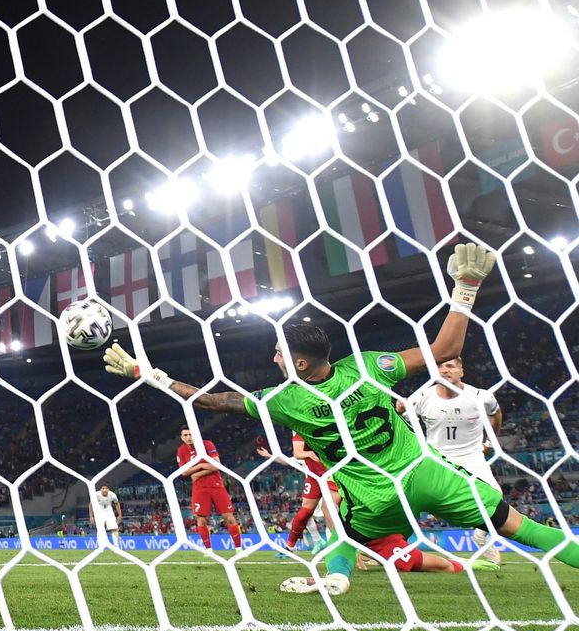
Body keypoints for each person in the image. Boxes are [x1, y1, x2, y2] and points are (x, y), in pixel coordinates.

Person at [104, 243, 579, 595]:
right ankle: (336, 574)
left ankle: (334, 577)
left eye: (279, 353)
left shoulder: (285, 399)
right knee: (520, 527)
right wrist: (465, 289)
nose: (273, 358)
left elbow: (207, 400)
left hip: (374, 495)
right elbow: (444, 351)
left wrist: (143, 372)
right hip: (427, 473)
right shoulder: (370, 367)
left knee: (345, 533)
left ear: (303, 365)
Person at [402, 357, 504, 564]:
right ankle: (389, 544)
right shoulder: (420, 397)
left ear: (461, 371)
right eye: (439, 366)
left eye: (449, 366)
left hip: (471, 457)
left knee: (496, 497)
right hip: (436, 459)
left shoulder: (481, 397)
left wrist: (489, 443)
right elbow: (402, 419)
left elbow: (496, 415)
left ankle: (481, 535)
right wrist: (402, 413)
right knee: (407, 501)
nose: (443, 370)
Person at [257, 433, 339, 554]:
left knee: (330, 510)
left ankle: (339, 543)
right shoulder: (303, 452)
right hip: (313, 480)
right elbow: (286, 461)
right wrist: (269, 455)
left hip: (330, 476)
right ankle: (299, 544)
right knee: (305, 513)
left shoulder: (319, 441)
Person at [177, 425, 241, 551]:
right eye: (185, 435)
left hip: (216, 485)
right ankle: (208, 550)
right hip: (199, 488)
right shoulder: (181, 450)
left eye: (190, 434)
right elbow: (184, 472)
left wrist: (196, 472)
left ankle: (239, 548)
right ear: (181, 437)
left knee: (229, 517)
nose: (188, 437)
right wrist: (203, 466)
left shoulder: (207, 444)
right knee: (201, 520)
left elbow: (216, 465)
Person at [89, 484, 123, 548]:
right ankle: (101, 545)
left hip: (109, 511)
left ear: (108, 489)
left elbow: (117, 504)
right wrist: (91, 516)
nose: (104, 490)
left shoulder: (112, 495)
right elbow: (91, 504)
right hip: (99, 511)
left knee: (114, 527)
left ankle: (116, 545)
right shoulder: (96, 495)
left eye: (106, 488)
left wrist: (120, 515)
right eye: (103, 488)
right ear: (101, 489)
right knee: (100, 529)